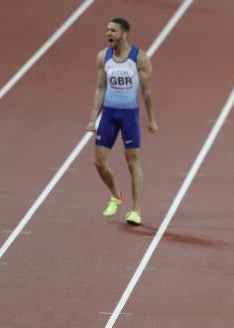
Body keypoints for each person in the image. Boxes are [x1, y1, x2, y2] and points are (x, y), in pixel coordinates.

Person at [87, 17, 158, 226]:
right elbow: (100, 89)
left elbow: (146, 91)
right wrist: (93, 119)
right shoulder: (103, 57)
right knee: (99, 162)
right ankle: (116, 195)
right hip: (109, 114)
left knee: (132, 162)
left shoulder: (140, 58)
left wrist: (152, 120)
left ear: (124, 34)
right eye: (107, 30)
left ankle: (136, 211)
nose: (108, 34)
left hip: (129, 116)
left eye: (113, 31)